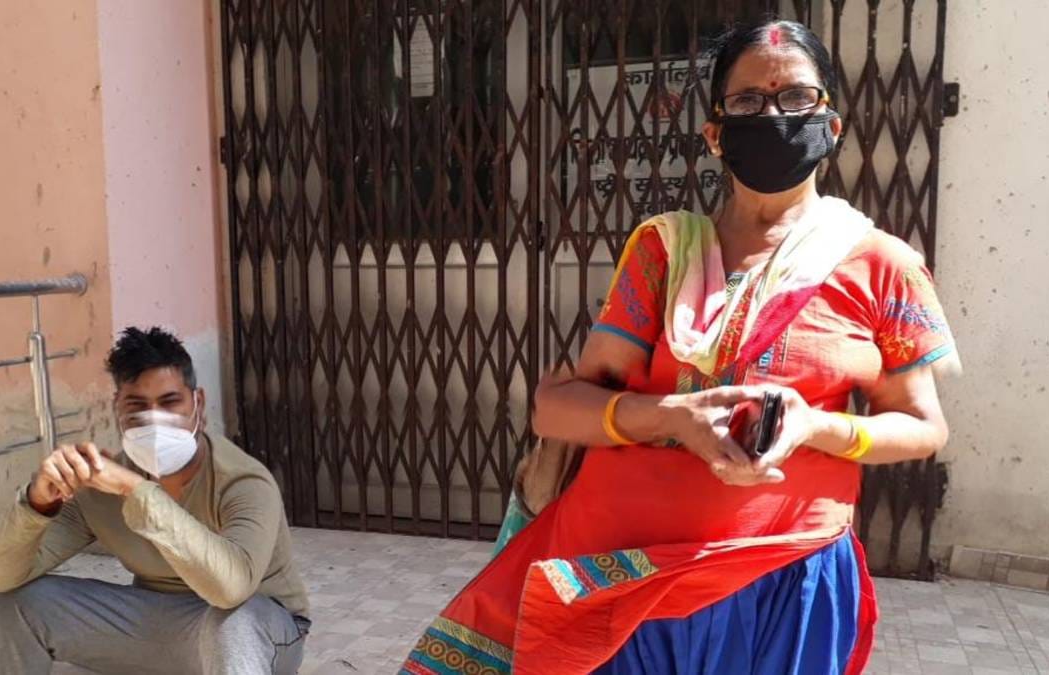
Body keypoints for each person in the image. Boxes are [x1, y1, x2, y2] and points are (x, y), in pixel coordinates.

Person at [402, 19, 958, 675]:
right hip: (622, 577)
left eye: (797, 98)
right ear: (716, 134)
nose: (774, 114)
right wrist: (672, 417)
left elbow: (924, 427)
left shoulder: (883, 265)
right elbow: (558, 411)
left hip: (783, 581)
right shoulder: (664, 252)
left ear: (831, 125)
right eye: (749, 100)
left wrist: (816, 425)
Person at [0, 327, 309, 675]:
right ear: (116, 409)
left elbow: (231, 589)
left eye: (169, 402)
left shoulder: (243, 482)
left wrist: (138, 492)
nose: (154, 418)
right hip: (161, 626)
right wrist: (37, 505)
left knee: (232, 626)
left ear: (199, 403)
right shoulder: (101, 486)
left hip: (261, 631)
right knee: (11, 606)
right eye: (137, 406)